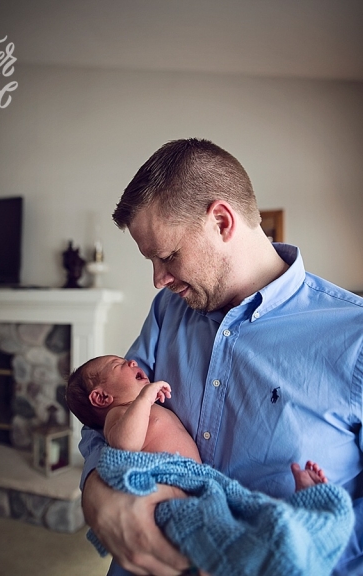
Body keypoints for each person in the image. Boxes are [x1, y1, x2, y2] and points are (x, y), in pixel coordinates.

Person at [79, 138, 363, 576]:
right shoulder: (168, 310)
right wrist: (96, 493)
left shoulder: (354, 337)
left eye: (167, 256)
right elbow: (106, 416)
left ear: (221, 221)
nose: (158, 279)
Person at [67, 354, 329, 491]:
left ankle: (305, 503)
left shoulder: (137, 408)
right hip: (170, 488)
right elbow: (125, 444)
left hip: (200, 481)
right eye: (119, 364)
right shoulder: (118, 414)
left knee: (244, 510)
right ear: (101, 397)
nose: (132, 361)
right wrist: (145, 398)